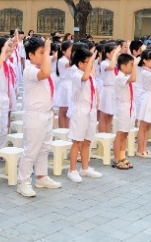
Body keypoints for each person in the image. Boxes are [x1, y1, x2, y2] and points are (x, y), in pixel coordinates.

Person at [16, 37, 62, 197]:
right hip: (35, 115)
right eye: (41, 53)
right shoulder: (29, 69)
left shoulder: (41, 65)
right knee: (31, 150)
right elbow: (45, 73)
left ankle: (41, 176)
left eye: (45, 52)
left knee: (44, 148)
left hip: (46, 113)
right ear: (30, 54)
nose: (45, 56)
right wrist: (48, 51)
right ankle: (23, 182)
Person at [66, 47, 103, 182]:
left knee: (87, 140)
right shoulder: (77, 75)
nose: (91, 65)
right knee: (77, 141)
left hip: (90, 110)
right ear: (80, 64)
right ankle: (72, 170)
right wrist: (92, 58)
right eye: (88, 62)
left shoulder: (89, 74)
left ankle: (85, 168)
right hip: (80, 110)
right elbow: (85, 77)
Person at [112, 53, 138, 169]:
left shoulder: (124, 77)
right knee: (120, 134)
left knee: (126, 133)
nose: (133, 68)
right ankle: (117, 158)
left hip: (130, 106)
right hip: (123, 107)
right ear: (122, 66)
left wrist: (134, 64)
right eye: (131, 65)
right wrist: (136, 65)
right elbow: (133, 78)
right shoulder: (119, 77)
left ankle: (122, 156)